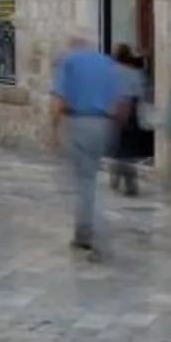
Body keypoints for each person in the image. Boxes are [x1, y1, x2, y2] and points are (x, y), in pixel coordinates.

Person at [48, 33, 126, 254]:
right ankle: (82, 232)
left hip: (78, 123)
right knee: (89, 179)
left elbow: (58, 100)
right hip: (102, 124)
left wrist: (53, 129)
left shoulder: (69, 62)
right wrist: (115, 127)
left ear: (73, 45)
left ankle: (95, 233)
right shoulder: (107, 63)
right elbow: (120, 102)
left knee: (80, 182)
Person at [110, 45, 151, 196]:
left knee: (120, 146)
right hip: (134, 111)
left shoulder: (112, 71)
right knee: (129, 148)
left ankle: (119, 174)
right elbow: (143, 93)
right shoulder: (136, 73)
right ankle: (127, 180)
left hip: (118, 109)